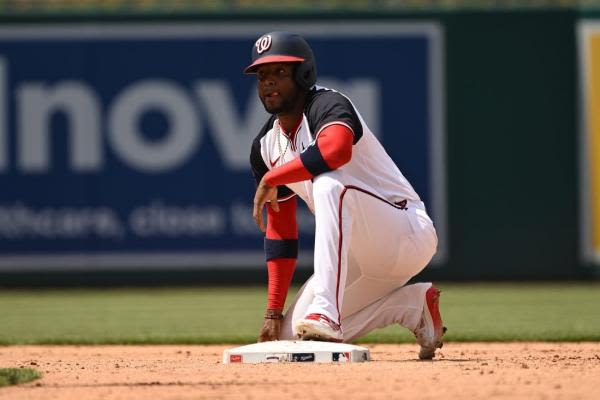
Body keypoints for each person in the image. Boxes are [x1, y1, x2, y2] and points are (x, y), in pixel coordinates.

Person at [246, 32, 446, 359]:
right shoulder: (266, 146)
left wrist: (273, 176)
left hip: (405, 232)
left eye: (280, 73)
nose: (268, 82)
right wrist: (272, 311)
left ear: (303, 74)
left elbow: (335, 152)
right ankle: (411, 308)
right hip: (354, 259)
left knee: (329, 184)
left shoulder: (327, 103)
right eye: (262, 75)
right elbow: (281, 232)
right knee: (290, 337)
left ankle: (326, 312)